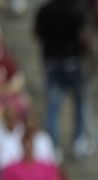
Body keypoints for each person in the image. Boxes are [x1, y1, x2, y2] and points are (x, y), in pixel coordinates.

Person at [33, 0, 92, 156]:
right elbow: (83, 36)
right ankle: (79, 141)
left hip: (52, 62)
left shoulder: (45, 10)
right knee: (79, 103)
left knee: (53, 106)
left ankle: (54, 146)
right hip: (72, 61)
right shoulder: (77, 10)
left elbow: (36, 33)